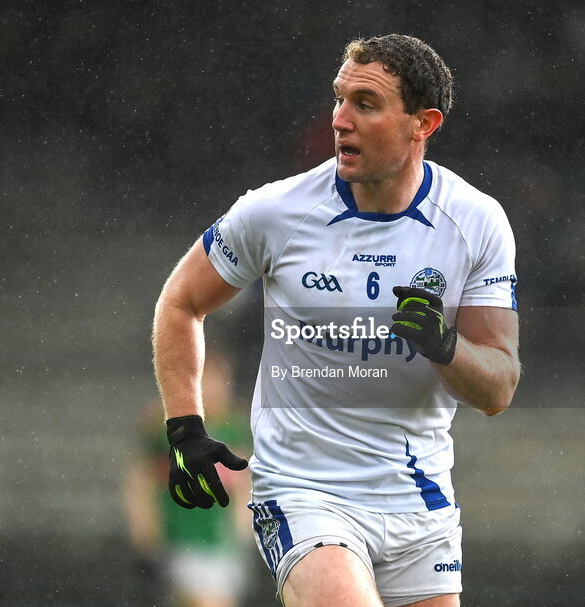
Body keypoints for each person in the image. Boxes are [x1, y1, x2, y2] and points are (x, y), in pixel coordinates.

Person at [152, 34, 520, 607]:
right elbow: (180, 301)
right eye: (338, 99)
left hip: (420, 504)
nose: (340, 121)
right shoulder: (277, 211)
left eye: (365, 105)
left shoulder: (476, 222)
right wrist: (185, 428)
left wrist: (444, 345)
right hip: (304, 494)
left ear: (423, 123)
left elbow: (498, 387)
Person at [123, 350, 253, 607]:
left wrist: (244, 528)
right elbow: (141, 479)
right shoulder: (165, 425)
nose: (214, 388)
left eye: (220, 379)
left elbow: (245, 480)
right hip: (179, 536)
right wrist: (144, 526)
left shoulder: (235, 426)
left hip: (220, 540)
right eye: (206, 379)